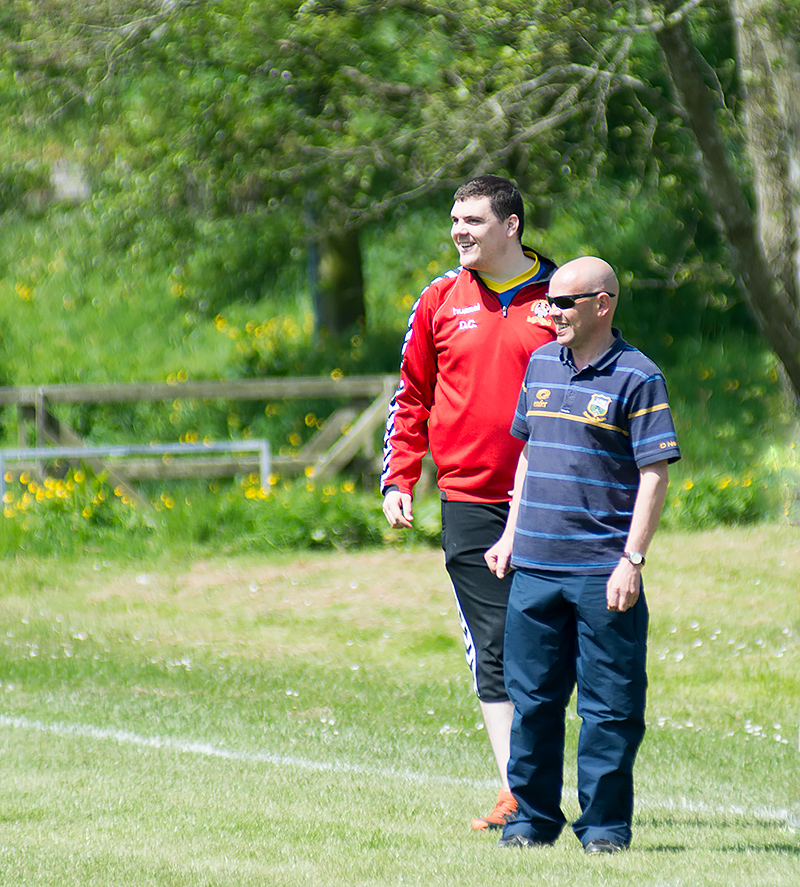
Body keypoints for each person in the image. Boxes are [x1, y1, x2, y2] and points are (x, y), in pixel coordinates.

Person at [485, 256, 681, 853]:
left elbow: (654, 475)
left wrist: (633, 561)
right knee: (533, 701)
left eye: (564, 302)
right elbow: (529, 453)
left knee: (610, 709)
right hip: (535, 570)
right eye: (549, 301)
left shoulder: (639, 377)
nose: (551, 312)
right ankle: (530, 822)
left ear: (603, 303)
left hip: (602, 572)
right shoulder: (541, 364)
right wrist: (511, 533)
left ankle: (603, 830)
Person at [381, 175, 557, 830]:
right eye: (455, 219)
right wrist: (402, 477)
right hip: (471, 500)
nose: (459, 230)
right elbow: (411, 395)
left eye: (473, 220)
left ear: (510, 225)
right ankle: (519, 789)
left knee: (552, 643)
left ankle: (558, 779)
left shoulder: (561, 295)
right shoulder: (437, 300)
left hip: (555, 499)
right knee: (494, 643)